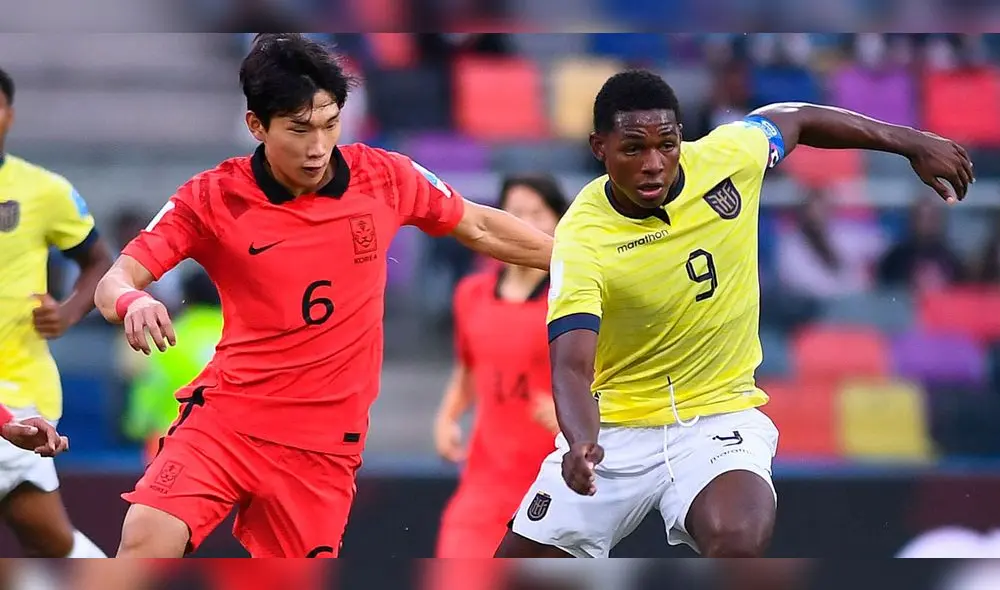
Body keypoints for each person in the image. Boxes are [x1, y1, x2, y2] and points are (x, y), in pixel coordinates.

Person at [92, 33, 553, 558]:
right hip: (226, 424)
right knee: (146, 541)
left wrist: (580, 264)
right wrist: (136, 300)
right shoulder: (211, 197)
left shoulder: (385, 176)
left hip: (322, 448)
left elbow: (479, 226)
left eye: (330, 124)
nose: (317, 147)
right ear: (256, 125)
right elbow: (114, 282)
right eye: (299, 129)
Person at [496, 69, 974, 558]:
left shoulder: (727, 159)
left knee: (737, 536)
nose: (654, 164)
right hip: (615, 432)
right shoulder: (582, 236)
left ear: (682, 136)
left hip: (717, 418)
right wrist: (580, 443)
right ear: (600, 148)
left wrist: (910, 141)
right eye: (633, 148)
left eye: (667, 143)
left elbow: (799, 118)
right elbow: (572, 366)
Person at [0, 66, 111, 558]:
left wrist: (68, 313)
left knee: (50, 542)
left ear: (9, 115)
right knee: (48, 540)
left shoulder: (43, 190)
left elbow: (97, 261)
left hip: (20, 389)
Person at [433, 175, 568, 558]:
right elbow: (469, 367)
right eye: (514, 213)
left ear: (558, 222)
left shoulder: (574, 300)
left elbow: (604, 379)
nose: (523, 224)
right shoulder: (471, 294)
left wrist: (575, 421)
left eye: (536, 214)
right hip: (485, 482)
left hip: (553, 482)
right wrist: (447, 417)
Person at [122, 268, 222, 464]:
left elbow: (152, 388)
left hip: (171, 441)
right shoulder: (240, 337)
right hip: (227, 444)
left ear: (186, 297)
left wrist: (136, 425)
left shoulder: (168, 338)